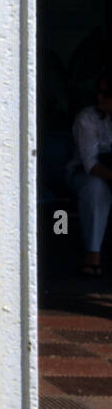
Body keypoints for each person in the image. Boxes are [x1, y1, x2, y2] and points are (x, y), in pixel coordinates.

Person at [67, 69, 112, 276]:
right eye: (99, 92)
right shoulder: (87, 118)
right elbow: (91, 165)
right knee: (96, 188)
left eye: (107, 93)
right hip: (82, 175)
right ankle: (93, 253)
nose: (100, 97)